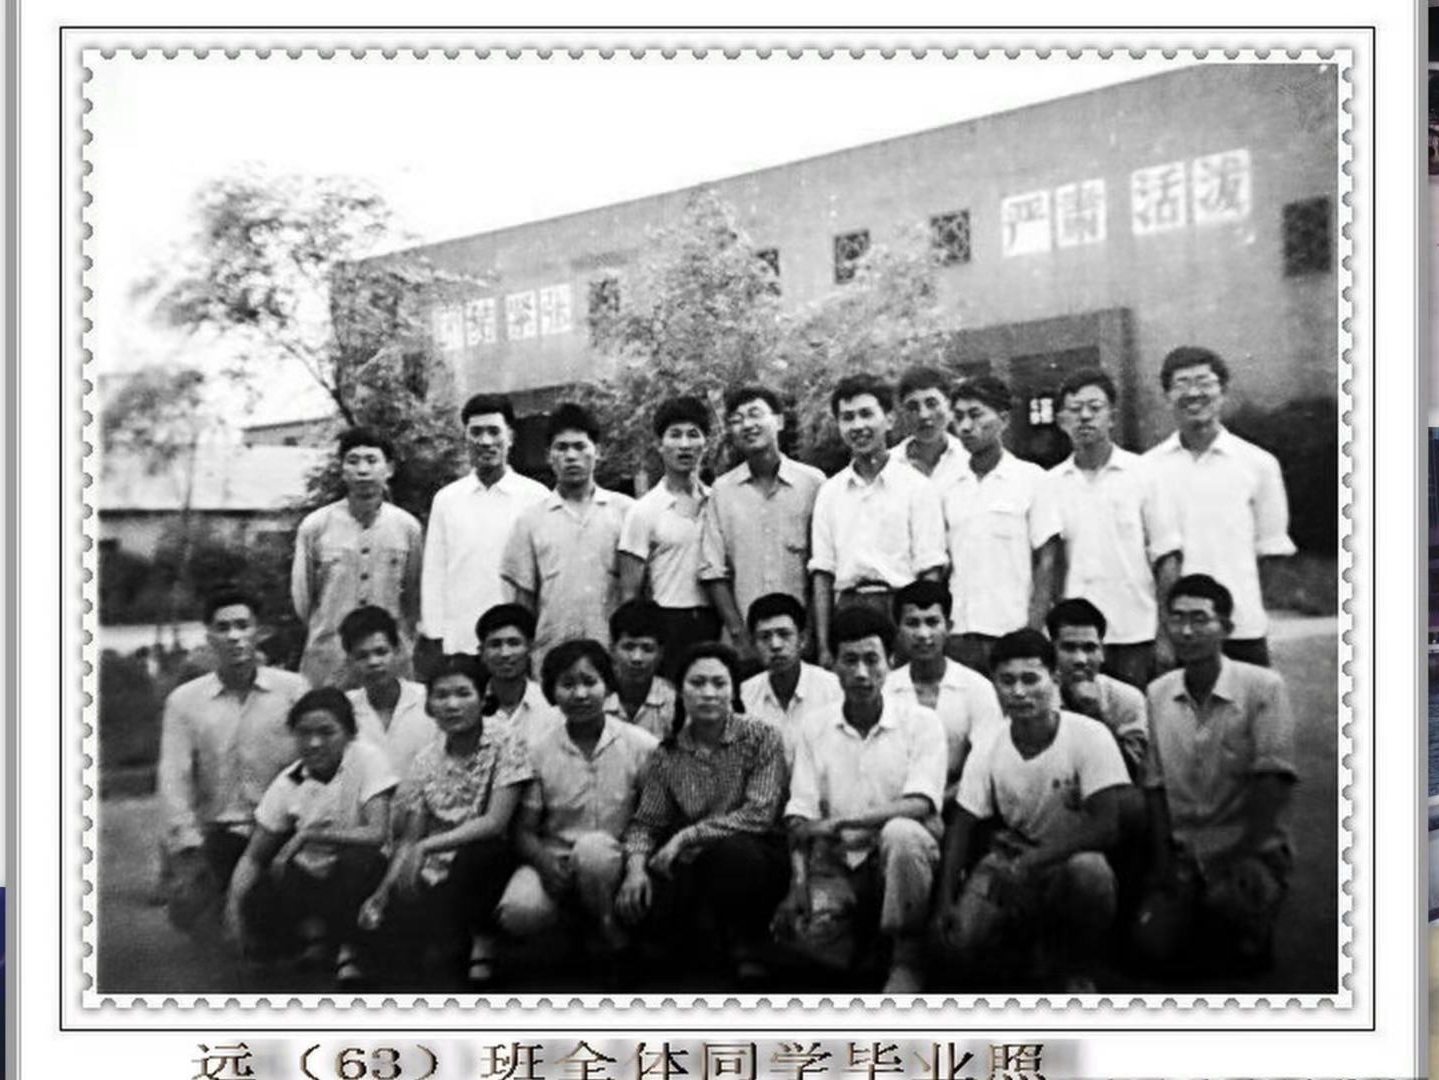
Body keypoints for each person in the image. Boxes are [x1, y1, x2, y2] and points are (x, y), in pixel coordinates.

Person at [933, 629, 1131, 991]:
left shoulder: (1090, 735)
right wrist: (946, 901)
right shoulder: (991, 743)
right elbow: (962, 824)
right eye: (1007, 681)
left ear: (1054, 678)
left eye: (1030, 679)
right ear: (994, 684)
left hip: (1069, 859)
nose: (1019, 692)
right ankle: (1024, 950)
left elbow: (1106, 826)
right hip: (1012, 854)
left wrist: (1033, 862)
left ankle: (1076, 967)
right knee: (959, 944)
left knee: (1091, 873)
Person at [775, 606, 947, 993]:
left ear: (891, 662)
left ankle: (906, 956)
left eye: (872, 659)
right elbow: (800, 815)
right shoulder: (815, 726)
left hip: (897, 862)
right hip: (837, 862)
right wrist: (797, 883)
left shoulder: (922, 723)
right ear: (833, 665)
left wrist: (842, 823)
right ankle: (861, 943)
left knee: (902, 834)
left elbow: (920, 803)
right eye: (850, 660)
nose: (861, 673)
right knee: (803, 935)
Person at [1133, 574, 1298, 974]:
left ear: (1226, 627)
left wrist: (1228, 857)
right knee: (1152, 948)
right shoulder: (1157, 693)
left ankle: (1250, 920)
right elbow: (1154, 786)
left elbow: (1273, 783)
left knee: (1232, 932)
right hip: (1183, 850)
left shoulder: (1263, 687)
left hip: (1246, 850)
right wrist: (1162, 866)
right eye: (1176, 619)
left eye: (1199, 619)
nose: (1186, 631)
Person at [617, 643, 789, 980]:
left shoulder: (762, 737)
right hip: (693, 859)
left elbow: (759, 814)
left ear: (733, 690)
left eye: (719, 683)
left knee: (733, 854)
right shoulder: (668, 753)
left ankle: (746, 943)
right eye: (697, 683)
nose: (708, 693)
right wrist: (635, 869)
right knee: (648, 896)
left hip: (752, 855)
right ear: (681, 692)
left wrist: (686, 836)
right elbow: (646, 823)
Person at [358, 655, 531, 985]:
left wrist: (426, 847)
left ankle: (481, 943)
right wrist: (384, 890)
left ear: (482, 698)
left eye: (463, 693)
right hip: (438, 864)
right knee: (388, 926)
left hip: (490, 856)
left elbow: (495, 822)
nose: (452, 705)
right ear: (430, 705)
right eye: (441, 695)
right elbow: (412, 837)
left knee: (480, 854)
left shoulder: (506, 740)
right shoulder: (426, 760)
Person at [496, 640, 659, 969]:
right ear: (552, 692)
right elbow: (524, 829)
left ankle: (608, 931)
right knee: (518, 911)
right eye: (568, 684)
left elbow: (653, 819)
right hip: (558, 858)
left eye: (590, 682)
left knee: (593, 852)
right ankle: (575, 924)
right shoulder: (537, 750)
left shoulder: (641, 746)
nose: (580, 694)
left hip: (618, 857)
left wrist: (636, 867)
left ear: (607, 686)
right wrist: (544, 863)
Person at [157, 587, 310, 933]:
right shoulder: (184, 702)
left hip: (283, 829)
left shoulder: (293, 690)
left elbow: (311, 761)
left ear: (259, 632)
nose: (234, 637)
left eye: (243, 625)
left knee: (273, 923)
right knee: (196, 914)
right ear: (209, 637)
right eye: (223, 628)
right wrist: (187, 846)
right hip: (218, 832)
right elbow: (173, 779)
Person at [222, 688, 397, 986]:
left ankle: (350, 950)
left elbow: (376, 832)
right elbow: (253, 855)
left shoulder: (366, 758)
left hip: (369, 873)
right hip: (315, 874)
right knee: (260, 885)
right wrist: (234, 907)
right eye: (304, 733)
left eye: (327, 732)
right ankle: (313, 937)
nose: (314, 743)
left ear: (348, 733)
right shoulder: (289, 780)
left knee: (356, 862)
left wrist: (310, 834)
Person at [1142, 346, 1296, 666]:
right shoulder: (1147, 468)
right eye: (1182, 384)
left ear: (1223, 391)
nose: (1193, 393)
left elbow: (1272, 551)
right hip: (1177, 632)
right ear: (1167, 396)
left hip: (1240, 627)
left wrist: (1245, 602)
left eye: (1204, 382)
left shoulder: (1258, 464)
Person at [1047, 370, 1181, 687]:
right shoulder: (1050, 484)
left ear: (1112, 416)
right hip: (1077, 639)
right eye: (1075, 409)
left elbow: (1167, 559)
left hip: (1136, 632)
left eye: (1095, 407)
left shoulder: (1145, 474)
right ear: (1061, 420)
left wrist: (1166, 635)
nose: (1085, 417)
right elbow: (1050, 567)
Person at [810, 373, 946, 668]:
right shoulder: (830, 492)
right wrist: (823, 646)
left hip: (901, 607)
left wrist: (920, 629)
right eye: (848, 418)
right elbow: (823, 573)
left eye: (866, 414)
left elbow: (930, 569)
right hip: (848, 607)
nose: (858, 425)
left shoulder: (917, 487)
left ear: (889, 419)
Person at [501, 403, 635, 673]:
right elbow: (523, 603)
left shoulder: (627, 512)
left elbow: (638, 592)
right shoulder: (530, 521)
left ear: (598, 451)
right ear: (548, 456)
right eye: (561, 448)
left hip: (612, 658)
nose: (571, 456)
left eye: (580, 446)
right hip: (550, 656)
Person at [942, 375, 1062, 674]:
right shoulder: (946, 486)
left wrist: (1032, 630)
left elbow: (1047, 562)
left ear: (1004, 419)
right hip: (959, 632)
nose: (965, 426)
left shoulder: (1031, 479)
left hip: (1011, 630)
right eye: (958, 417)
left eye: (975, 415)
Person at [698, 385, 825, 660]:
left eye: (755, 414)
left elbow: (823, 566)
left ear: (778, 421)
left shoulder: (813, 484)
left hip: (800, 637)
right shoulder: (722, 491)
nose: (747, 425)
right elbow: (713, 570)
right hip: (745, 641)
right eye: (737, 420)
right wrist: (739, 634)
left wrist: (814, 632)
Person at [291, 427, 423, 687]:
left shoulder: (407, 528)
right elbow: (303, 599)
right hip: (330, 659)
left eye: (372, 460)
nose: (363, 470)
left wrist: (403, 638)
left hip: (389, 659)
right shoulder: (315, 527)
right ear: (342, 470)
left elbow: (414, 597)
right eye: (353, 461)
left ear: (389, 469)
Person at [420, 393, 548, 658]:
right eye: (476, 432)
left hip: (518, 642)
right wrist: (435, 634)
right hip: (462, 640)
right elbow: (434, 572)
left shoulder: (537, 497)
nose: (486, 441)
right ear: (465, 439)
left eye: (494, 431)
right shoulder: (447, 500)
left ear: (510, 437)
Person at [619, 396, 721, 680]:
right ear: (659, 444)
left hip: (715, 620)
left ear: (706, 443)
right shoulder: (643, 511)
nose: (684, 445)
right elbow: (630, 594)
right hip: (668, 623)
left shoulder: (718, 502)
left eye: (693, 434)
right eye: (675, 435)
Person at [883, 581, 1004, 803]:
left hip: (963, 802)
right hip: (894, 803)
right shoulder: (885, 689)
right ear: (898, 630)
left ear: (948, 626)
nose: (923, 634)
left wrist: (935, 803)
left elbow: (984, 767)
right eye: (912, 623)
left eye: (932, 622)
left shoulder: (977, 688)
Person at [1044, 597, 1149, 782]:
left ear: (1102, 652)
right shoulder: (1039, 697)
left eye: (1089, 648)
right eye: (1069, 648)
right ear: (1051, 652)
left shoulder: (1127, 699)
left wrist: (1093, 715)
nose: (1080, 660)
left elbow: (1133, 772)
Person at [738, 593, 842, 763]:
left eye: (784, 634)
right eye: (765, 637)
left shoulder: (834, 690)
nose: (775, 645)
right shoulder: (744, 696)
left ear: (802, 639)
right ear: (753, 645)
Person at [341, 606, 434, 780]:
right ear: (349, 661)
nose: (373, 662)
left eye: (381, 652)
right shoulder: (343, 710)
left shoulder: (429, 700)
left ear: (397, 652)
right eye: (362, 656)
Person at [474, 603, 558, 744]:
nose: (505, 653)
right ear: (482, 652)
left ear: (530, 648)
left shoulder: (549, 704)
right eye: (495, 644)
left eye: (514, 643)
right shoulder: (470, 706)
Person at [605, 599, 678, 741]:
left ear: (661, 653)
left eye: (647, 649)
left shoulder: (675, 702)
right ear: (612, 650)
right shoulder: (595, 698)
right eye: (628, 647)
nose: (637, 658)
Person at [895, 365, 969, 491]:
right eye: (912, 407)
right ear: (903, 415)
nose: (923, 415)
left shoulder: (971, 460)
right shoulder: (888, 466)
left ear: (950, 407)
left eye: (932, 404)